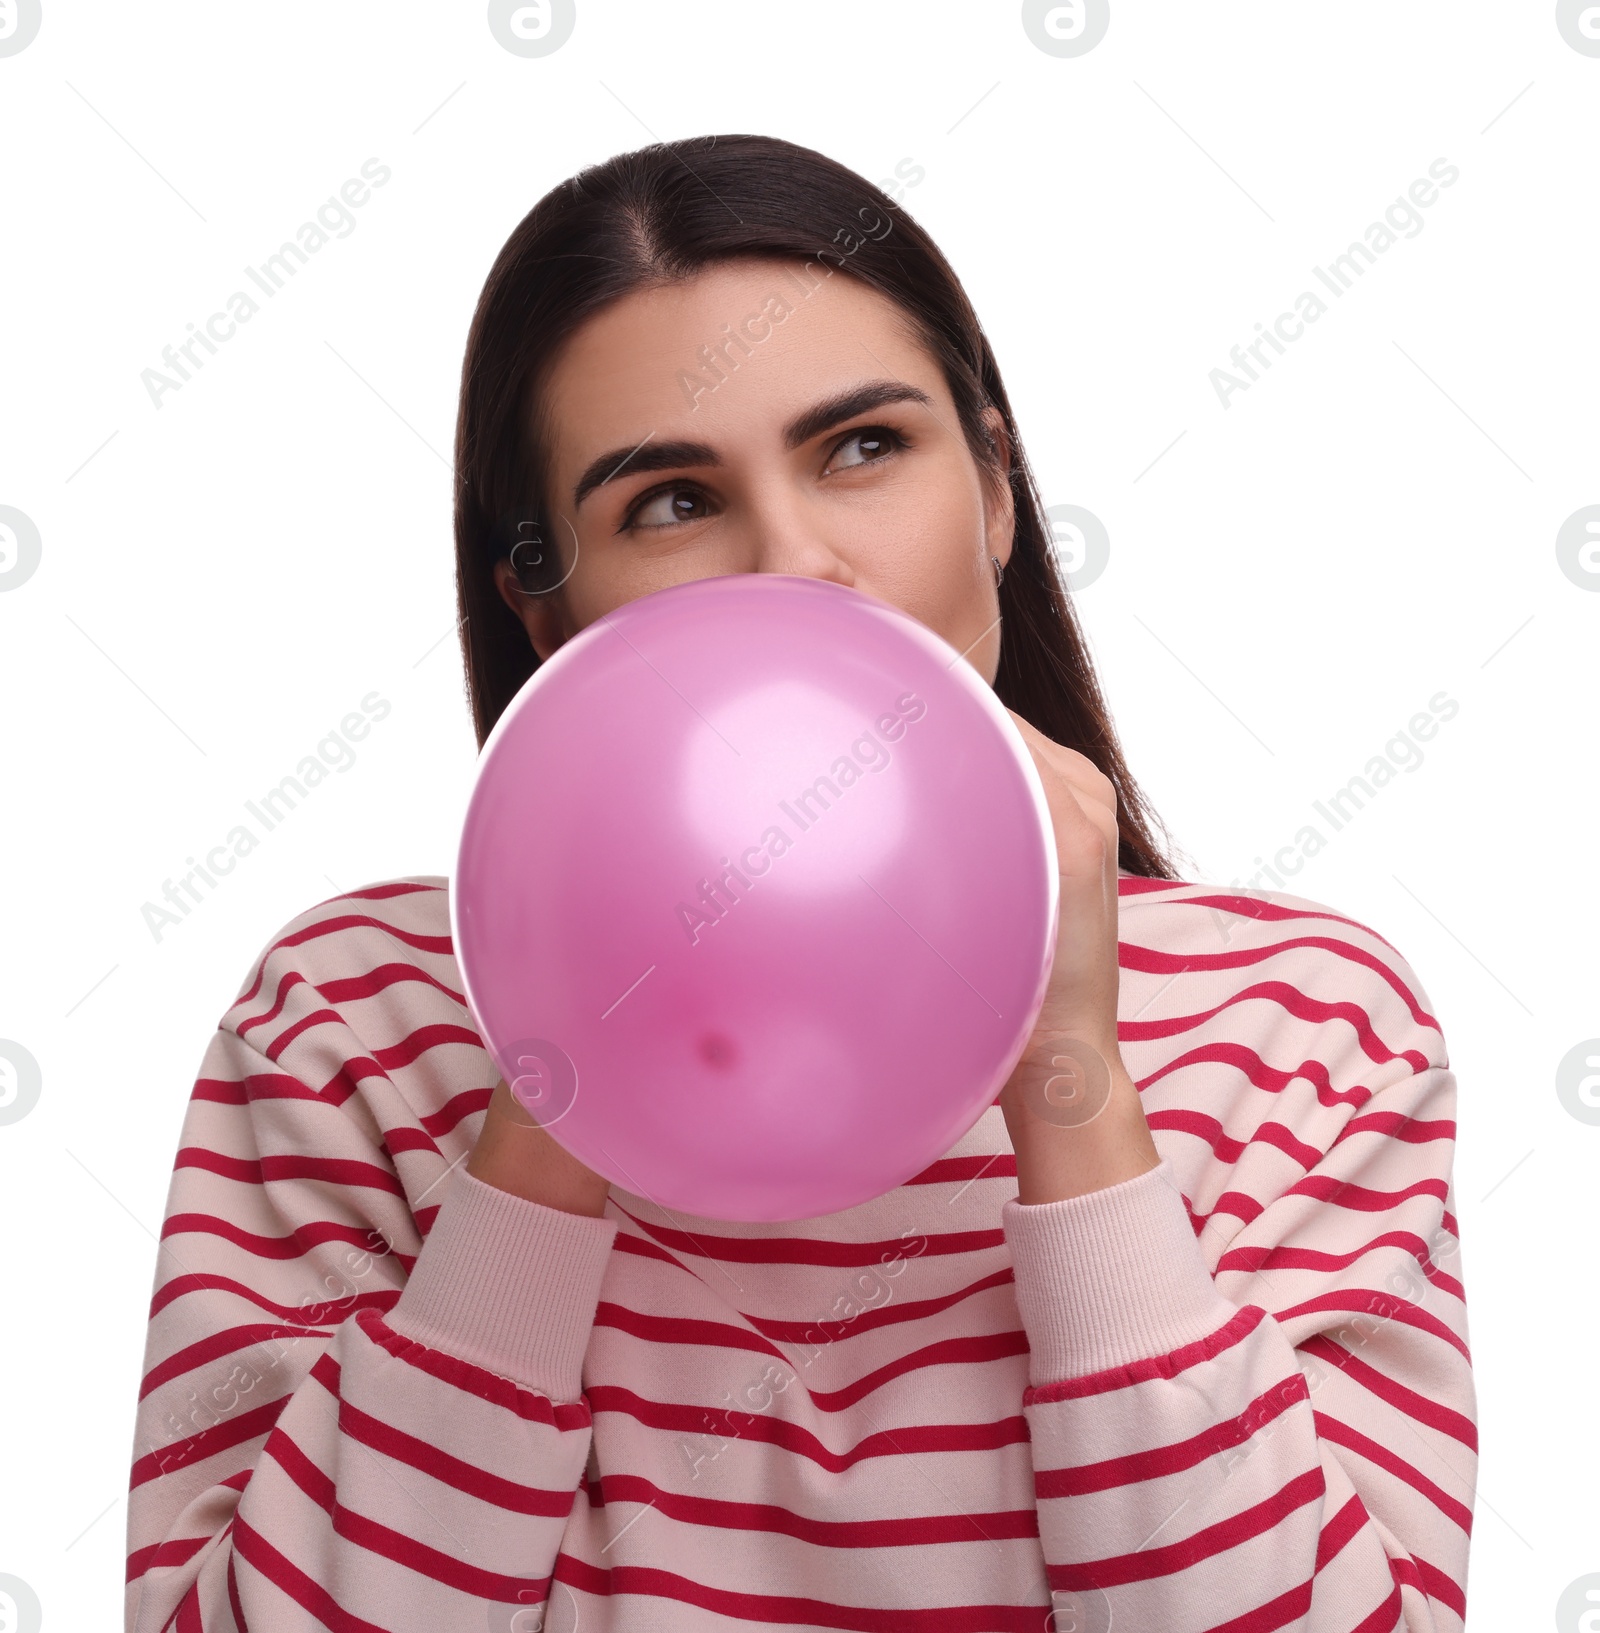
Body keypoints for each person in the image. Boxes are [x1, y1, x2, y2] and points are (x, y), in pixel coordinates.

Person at [124, 133, 1475, 1632]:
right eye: (668, 502)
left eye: (862, 448)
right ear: (542, 602)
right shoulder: (349, 1022)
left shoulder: (1306, 1020)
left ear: (998, 495)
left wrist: (1071, 1079)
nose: (793, 563)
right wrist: (559, 1079)